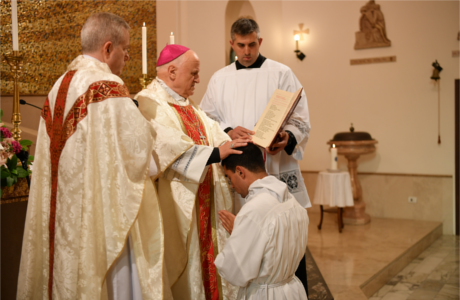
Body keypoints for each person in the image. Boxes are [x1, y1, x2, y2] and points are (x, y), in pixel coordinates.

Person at [17, 13, 165, 299]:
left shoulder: (57, 87)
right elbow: (140, 158)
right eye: (126, 50)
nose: (127, 58)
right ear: (108, 49)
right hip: (98, 214)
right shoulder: (107, 87)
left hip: (61, 212)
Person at [200, 17, 311, 294]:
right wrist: (228, 130)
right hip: (240, 170)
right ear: (231, 44)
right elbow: (205, 120)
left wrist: (285, 138)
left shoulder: (281, 73)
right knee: (247, 241)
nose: (247, 51)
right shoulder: (219, 78)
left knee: (285, 240)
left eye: (252, 44)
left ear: (260, 41)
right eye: (241, 45)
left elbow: (301, 120)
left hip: (273, 165)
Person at [134, 44, 246, 300]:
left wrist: (239, 141)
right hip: (178, 207)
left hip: (207, 206)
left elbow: (216, 135)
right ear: (172, 71)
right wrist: (219, 152)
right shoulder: (149, 103)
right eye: (194, 73)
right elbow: (167, 147)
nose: (198, 79)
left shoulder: (188, 105)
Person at [214, 143, 309, 300]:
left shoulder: (253, 211)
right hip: (293, 290)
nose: (232, 185)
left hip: (265, 294)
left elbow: (234, 271)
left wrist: (239, 233)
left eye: (230, 178)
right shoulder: (291, 199)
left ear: (240, 171)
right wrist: (243, 231)